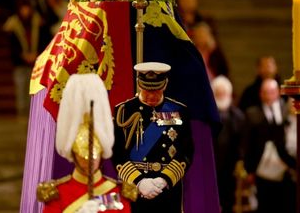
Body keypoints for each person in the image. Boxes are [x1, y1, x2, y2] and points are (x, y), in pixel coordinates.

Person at [38, 73, 132, 213]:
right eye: (83, 155)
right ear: (74, 154)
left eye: (95, 154)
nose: (90, 160)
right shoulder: (56, 195)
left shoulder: (118, 192)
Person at [112, 62, 194, 213]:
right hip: (134, 188)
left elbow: (186, 152)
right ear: (138, 84)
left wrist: (164, 179)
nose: (151, 96)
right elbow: (118, 154)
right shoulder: (123, 111)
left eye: (156, 90)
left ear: (165, 84)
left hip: (167, 189)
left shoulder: (178, 110)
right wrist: (139, 181)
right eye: (146, 90)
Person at [242, 78, 296, 213]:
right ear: (261, 94)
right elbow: (247, 143)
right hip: (262, 169)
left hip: (286, 168)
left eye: (272, 92)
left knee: (286, 205)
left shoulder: (287, 110)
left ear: (278, 92)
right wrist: (249, 169)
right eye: (266, 92)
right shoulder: (252, 113)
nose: (269, 96)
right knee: (265, 205)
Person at [210, 75, 245, 213]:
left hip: (229, 167)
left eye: (224, 92)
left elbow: (242, 142)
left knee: (228, 201)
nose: (221, 95)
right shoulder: (208, 116)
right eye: (218, 92)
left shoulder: (238, 116)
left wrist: (240, 160)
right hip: (211, 165)